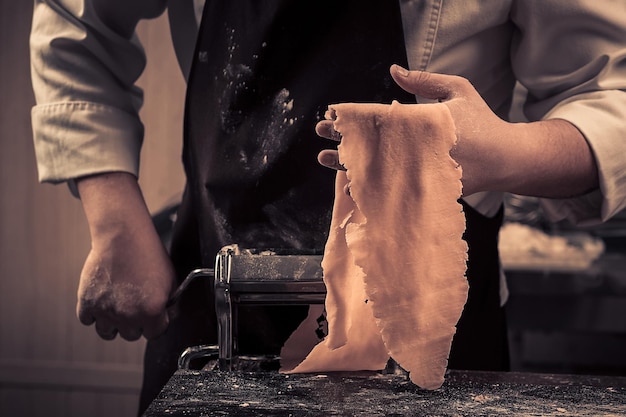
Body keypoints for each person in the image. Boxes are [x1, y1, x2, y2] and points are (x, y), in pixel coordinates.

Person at [30, 0, 626, 414]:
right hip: (221, 298)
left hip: (427, 324)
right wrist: (113, 219)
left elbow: (610, 99)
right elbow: (75, 24)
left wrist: (504, 154)